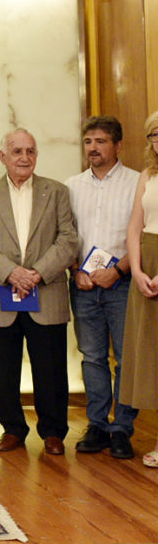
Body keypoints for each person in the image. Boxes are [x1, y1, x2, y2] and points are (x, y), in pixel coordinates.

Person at [0, 128, 78, 455]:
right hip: (0, 294)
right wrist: (11, 272)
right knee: (3, 368)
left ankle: (53, 432)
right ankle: (12, 428)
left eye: (30, 151)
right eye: (17, 151)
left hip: (47, 292)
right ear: (3, 157)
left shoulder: (56, 191)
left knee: (51, 368)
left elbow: (68, 239)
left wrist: (37, 273)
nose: (24, 157)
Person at [66, 115, 139, 459]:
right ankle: (97, 425)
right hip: (82, 285)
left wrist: (120, 271)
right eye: (88, 142)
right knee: (92, 357)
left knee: (126, 359)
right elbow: (64, 237)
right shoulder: (71, 186)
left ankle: (122, 428)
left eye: (101, 141)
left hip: (123, 284)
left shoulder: (138, 183)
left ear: (118, 146)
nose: (93, 148)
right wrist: (74, 270)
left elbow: (141, 237)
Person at [120, 110, 158, 468]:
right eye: (154, 134)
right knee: (152, 354)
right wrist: (136, 269)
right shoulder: (147, 175)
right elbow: (135, 226)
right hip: (146, 264)